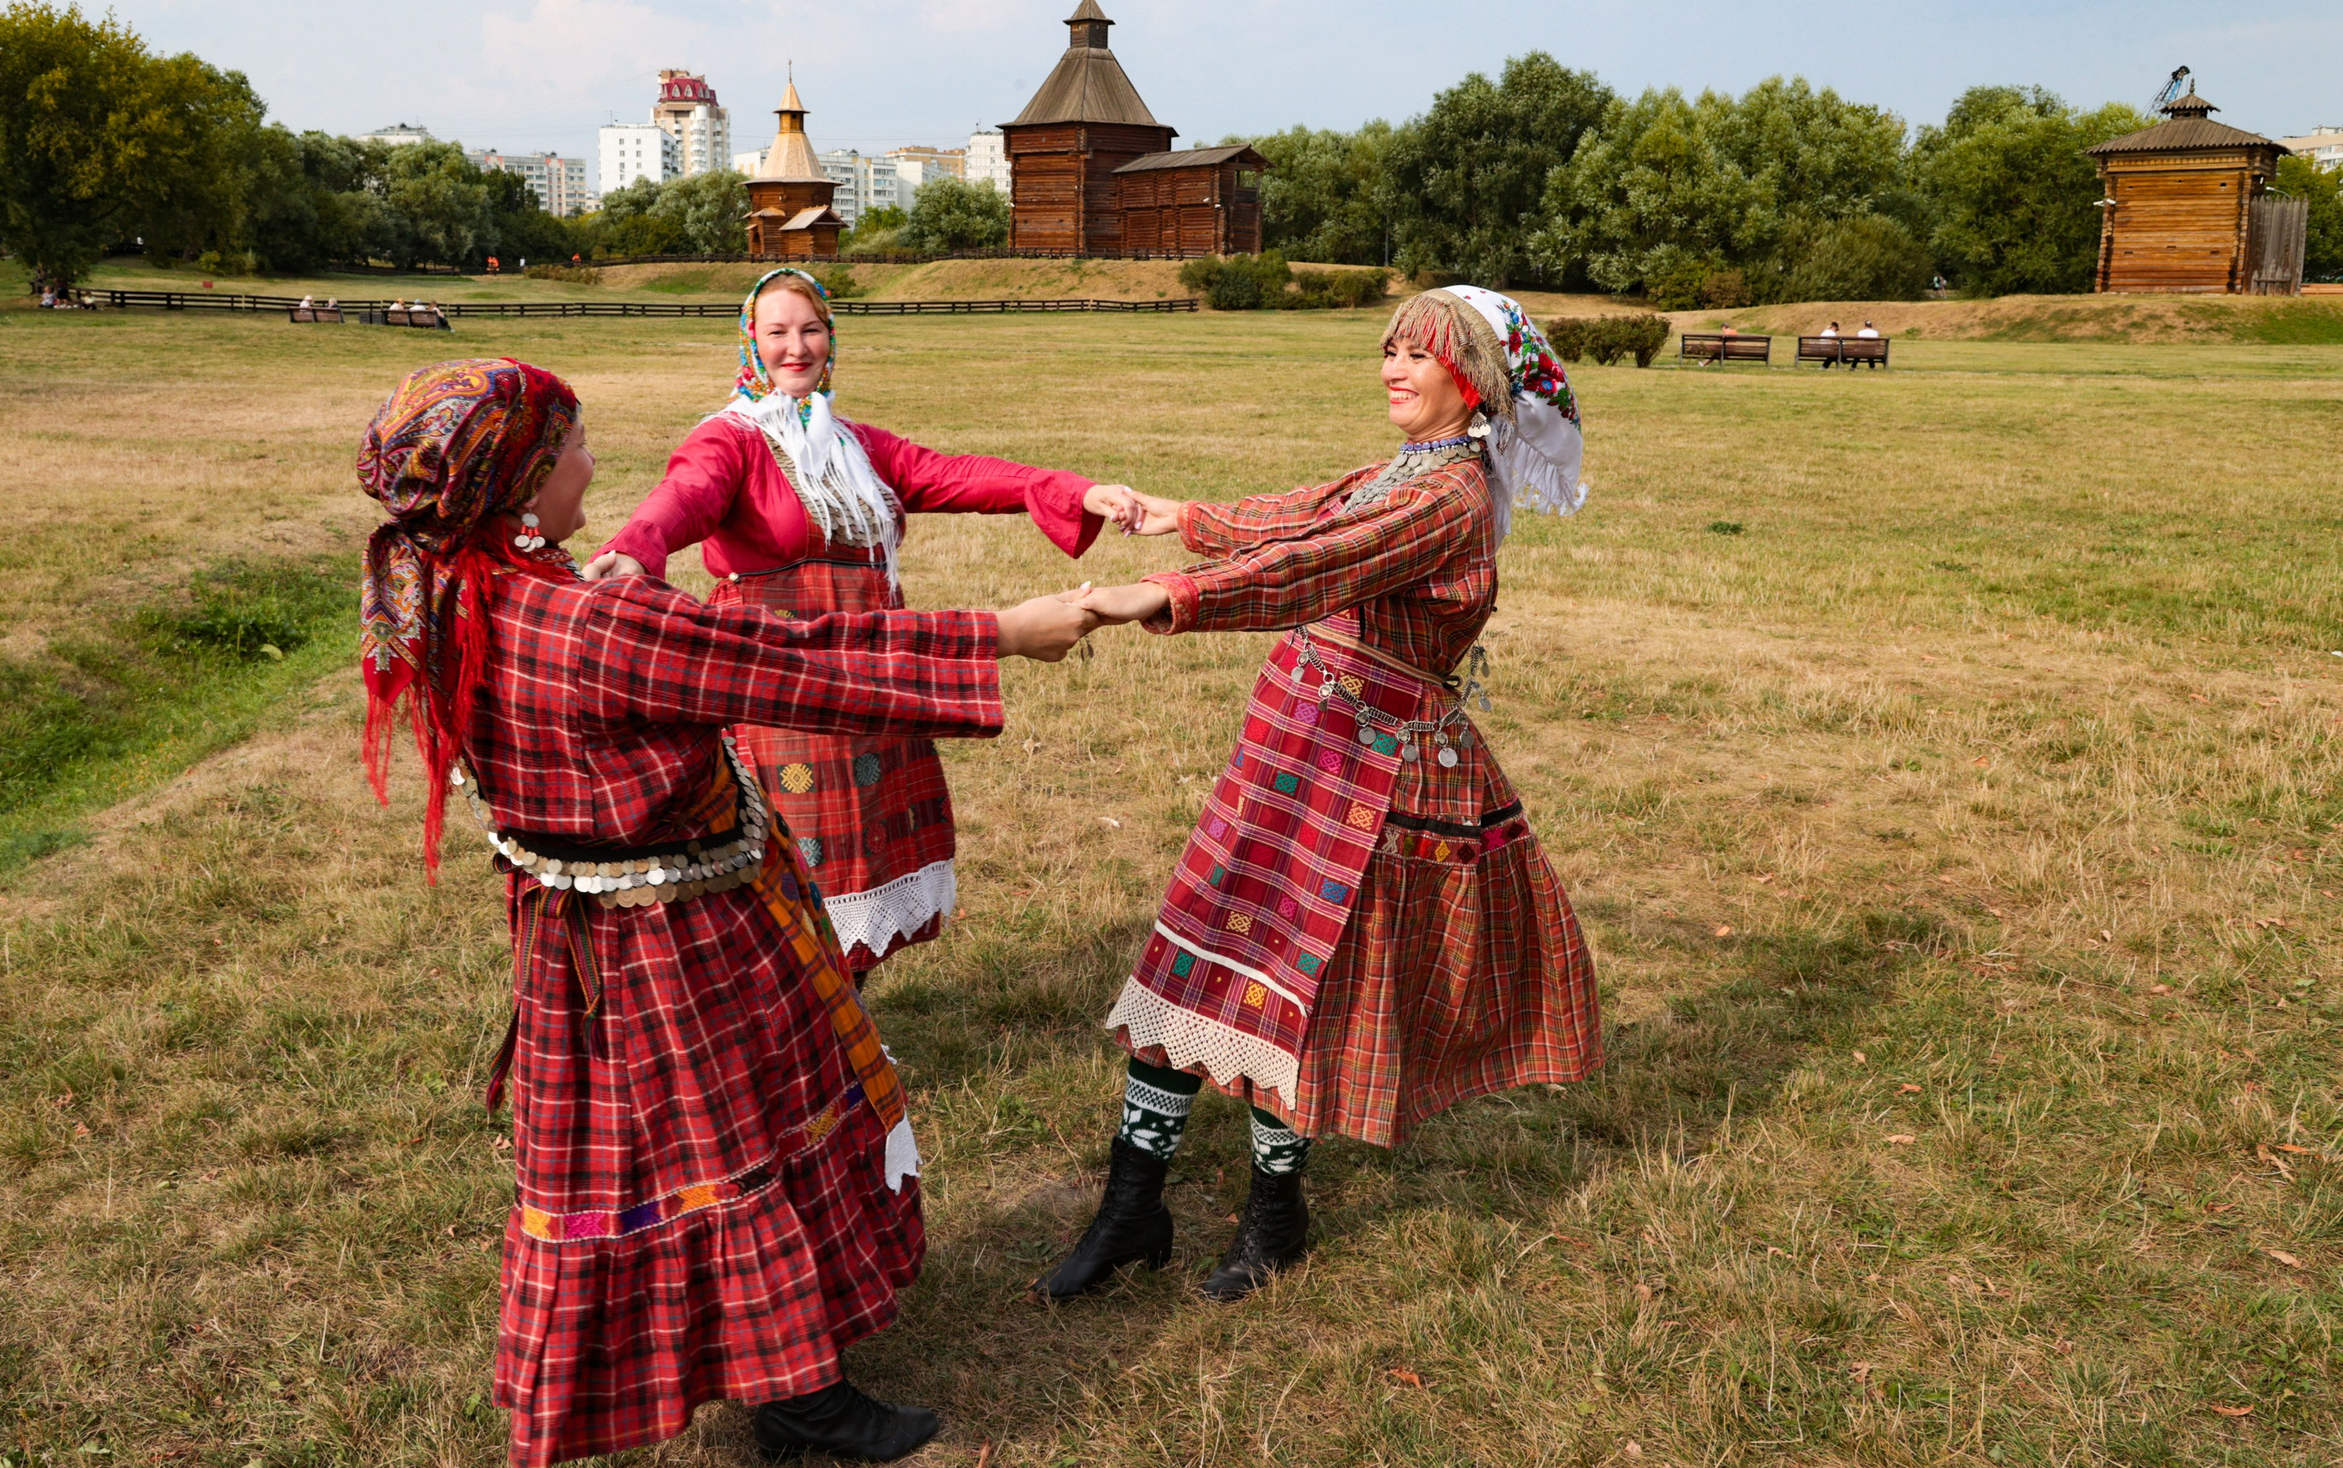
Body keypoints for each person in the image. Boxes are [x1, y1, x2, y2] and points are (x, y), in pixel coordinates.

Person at [357, 357, 1098, 1465]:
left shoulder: (457, 593)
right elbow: (789, 660)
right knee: (737, 1146)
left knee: (643, 1161)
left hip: (579, 948)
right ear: (517, 485)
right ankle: (799, 1402)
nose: (593, 465)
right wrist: (1002, 631)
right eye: (571, 452)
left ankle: (773, 1380)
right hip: (679, 937)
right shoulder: (581, 622)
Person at [1032, 287, 1605, 1304]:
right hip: (1299, 742)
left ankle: (1274, 1213)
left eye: (1416, 355)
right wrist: (1186, 517)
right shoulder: (1410, 468)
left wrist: (1163, 595)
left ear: (1467, 378)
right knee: (1199, 947)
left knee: (1290, 984)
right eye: (1387, 349)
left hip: (1362, 773)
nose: (1391, 366)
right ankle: (1131, 1203)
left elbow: (1321, 561)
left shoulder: (1446, 496)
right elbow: (1307, 512)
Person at [583, 268, 1140, 976]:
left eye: (810, 329)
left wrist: (1078, 491)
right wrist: (634, 549)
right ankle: (797, 1046)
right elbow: (683, 496)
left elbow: (955, 472)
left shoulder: (855, 446)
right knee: (788, 868)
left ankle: (848, 1036)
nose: (796, 347)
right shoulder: (730, 439)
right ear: (749, 340)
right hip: (782, 682)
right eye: (777, 331)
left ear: (831, 338)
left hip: (872, 677)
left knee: (862, 859)